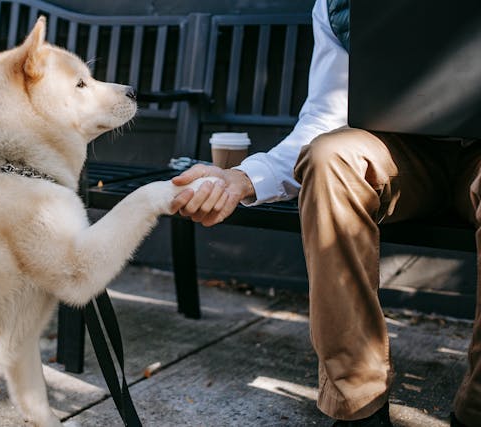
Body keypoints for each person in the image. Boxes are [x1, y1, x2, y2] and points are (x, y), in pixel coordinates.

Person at [171, 0, 481, 426]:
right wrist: (242, 177)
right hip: (404, 155)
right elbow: (324, 118)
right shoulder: (338, 4)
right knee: (330, 155)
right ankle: (358, 408)